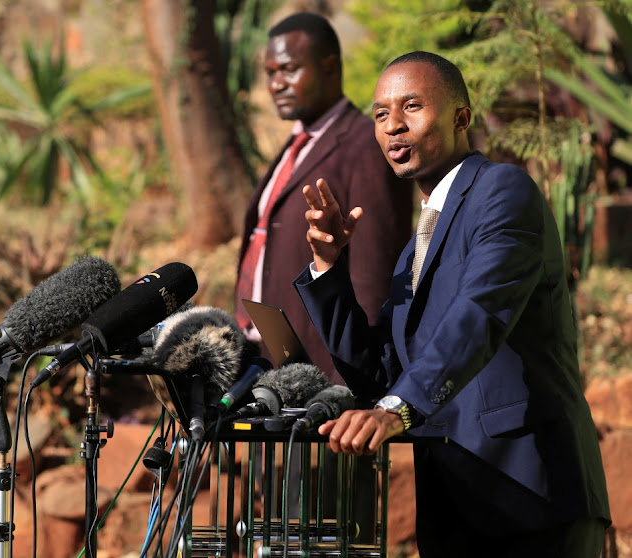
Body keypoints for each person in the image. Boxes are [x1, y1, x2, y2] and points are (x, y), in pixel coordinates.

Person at [293, 51, 611, 557]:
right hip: (455, 508)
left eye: (411, 107)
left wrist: (397, 410)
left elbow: (480, 315)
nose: (393, 126)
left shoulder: (503, 192)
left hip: (533, 504)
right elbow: (379, 374)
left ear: (461, 118)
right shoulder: (414, 249)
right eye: (380, 114)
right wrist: (328, 268)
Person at [234, 12, 410, 385]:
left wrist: (352, 382)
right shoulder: (294, 146)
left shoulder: (365, 145)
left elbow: (374, 273)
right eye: (269, 73)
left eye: (289, 69)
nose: (276, 84)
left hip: (324, 374)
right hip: (269, 361)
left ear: (330, 67)